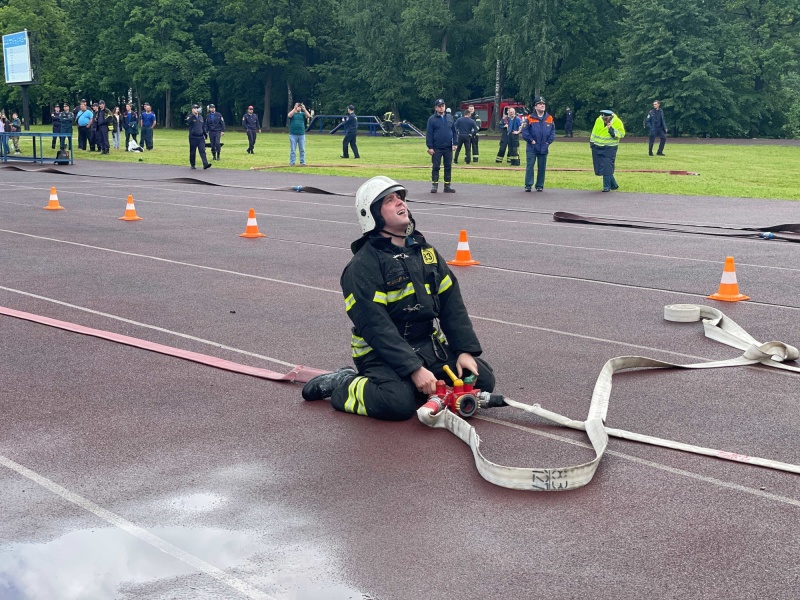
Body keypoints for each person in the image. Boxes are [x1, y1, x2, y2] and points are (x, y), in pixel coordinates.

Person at [301, 175, 496, 420]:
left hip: (427, 346)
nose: (400, 203)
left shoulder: (425, 253)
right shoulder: (362, 266)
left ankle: (413, 384)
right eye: (390, 200)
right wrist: (413, 368)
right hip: (379, 353)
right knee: (397, 404)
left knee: (482, 379)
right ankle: (346, 383)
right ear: (372, 214)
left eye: (401, 198)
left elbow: (451, 305)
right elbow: (375, 326)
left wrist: (464, 350)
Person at [521, 97, 555, 192]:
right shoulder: (529, 118)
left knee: (542, 167)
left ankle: (540, 185)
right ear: (535, 107)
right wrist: (531, 140)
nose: (542, 105)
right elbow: (525, 131)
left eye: (543, 104)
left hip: (544, 146)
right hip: (532, 146)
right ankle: (528, 185)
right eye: (540, 104)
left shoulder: (549, 118)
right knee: (530, 166)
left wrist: (548, 142)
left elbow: (552, 132)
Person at [425, 99, 456, 193]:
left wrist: (455, 143)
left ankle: (447, 186)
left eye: (443, 105)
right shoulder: (432, 119)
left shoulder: (450, 117)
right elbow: (429, 133)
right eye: (439, 106)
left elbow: (454, 131)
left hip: (448, 147)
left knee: (448, 166)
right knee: (436, 166)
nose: (441, 107)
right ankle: (434, 185)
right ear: (436, 108)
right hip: (436, 147)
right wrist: (430, 147)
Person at [590, 109, 626, 192]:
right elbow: (594, 132)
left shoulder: (617, 121)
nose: (604, 120)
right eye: (604, 118)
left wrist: (611, 130)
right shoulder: (598, 120)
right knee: (600, 167)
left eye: (606, 118)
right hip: (597, 146)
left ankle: (606, 187)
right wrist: (592, 143)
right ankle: (614, 184)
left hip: (610, 147)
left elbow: (621, 134)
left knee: (607, 166)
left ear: (611, 117)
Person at [184, 104, 211, 170]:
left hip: (200, 137)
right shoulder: (190, 116)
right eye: (195, 108)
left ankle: (205, 164)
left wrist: (205, 134)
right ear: (192, 109)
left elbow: (203, 126)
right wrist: (193, 115)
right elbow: (188, 122)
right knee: (193, 151)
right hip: (193, 137)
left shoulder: (201, 117)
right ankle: (192, 164)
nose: (197, 109)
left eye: (197, 108)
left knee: (202, 150)